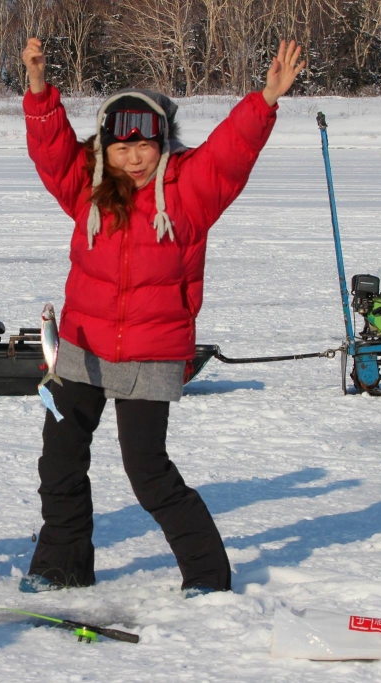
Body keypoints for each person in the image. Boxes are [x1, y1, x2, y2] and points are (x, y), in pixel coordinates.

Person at [20, 37, 305, 595]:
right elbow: (51, 152)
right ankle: (61, 565)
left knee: (147, 472)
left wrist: (266, 97)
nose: (133, 157)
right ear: (105, 150)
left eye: (144, 146)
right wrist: (38, 89)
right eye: (121, 147)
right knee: (59, 463)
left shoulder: (191, 191)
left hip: (153, 351)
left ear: (163, 144)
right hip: (82, 344)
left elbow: (231, 151)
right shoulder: (89, 190)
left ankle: (206, 575)